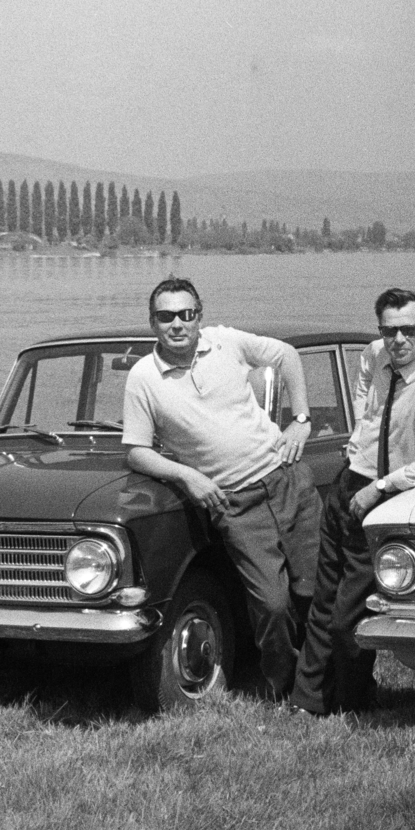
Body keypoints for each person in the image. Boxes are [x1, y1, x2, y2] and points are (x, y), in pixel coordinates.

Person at [121, 277, 318, 701]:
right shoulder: (143, 378)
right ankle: (286, 686)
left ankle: (333, 685)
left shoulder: (226, 342)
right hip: (235, 503)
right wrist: (188, 476)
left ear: (199, 315)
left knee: (314, 589)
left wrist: (300, 420)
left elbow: (285, 355)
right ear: (152, 322)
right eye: (166, 316)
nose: (178, 324)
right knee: (272, 603)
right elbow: (136, 452)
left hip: (287, 479)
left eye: (186, 314)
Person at [291, 287, 415, 716]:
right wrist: (358, 434)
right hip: (347, 485)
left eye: (409, 330)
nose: (399, 340)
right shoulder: (377, 354)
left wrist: (381, 486)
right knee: (322, 602)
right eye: (390, 330)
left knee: (346, 618)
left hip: (381, 501)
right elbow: (365, 378)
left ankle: (355, 703)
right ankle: (309, 702)